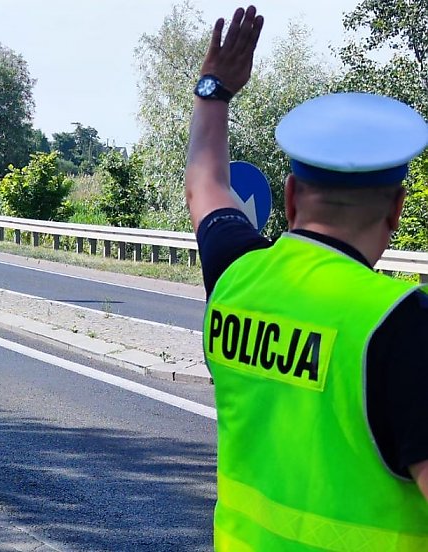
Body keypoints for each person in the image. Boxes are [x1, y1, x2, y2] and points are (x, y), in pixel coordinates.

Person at [185, 5, 428, 551]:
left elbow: (205, 185)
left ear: (291, 197)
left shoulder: (236, 276)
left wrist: (213, 90)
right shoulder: (402, 324)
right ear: (396, 209)